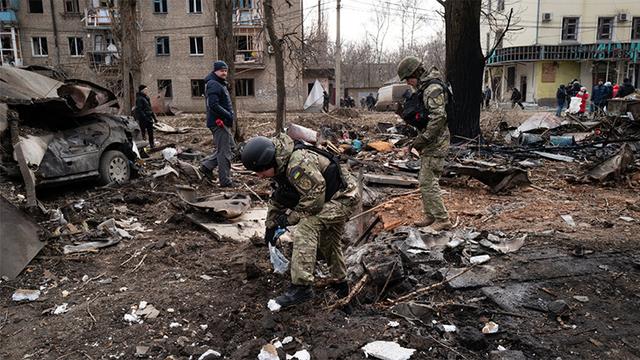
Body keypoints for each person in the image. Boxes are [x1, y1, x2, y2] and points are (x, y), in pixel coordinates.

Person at [241, 134, 360, 309]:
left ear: (269, 162)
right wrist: (271, 225)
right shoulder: (281, 163)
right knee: (329, 242)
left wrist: (289, 219)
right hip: (330, 196)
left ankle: (302, 287)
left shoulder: (297, 164)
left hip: (343, 198)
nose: (259, 176)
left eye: (260, 171)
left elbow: (314, 199)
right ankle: (341, 284)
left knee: (307, 226)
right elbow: (279, 197)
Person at [397, 56, 451, 231]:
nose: (408, 83)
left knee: (428, 181)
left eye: (408, 78)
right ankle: (431, 215)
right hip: (431, 141)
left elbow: (438, 118)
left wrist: (422, 140)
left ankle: (442, 219)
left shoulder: (433, 89)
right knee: (425, 179)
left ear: (416, 73)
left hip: (436, 142)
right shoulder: (425, 88)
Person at [200, 60, 235, 187]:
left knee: (230, 148)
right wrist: (228, 115)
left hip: (223, 122)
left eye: (225, 70)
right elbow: (213, 105)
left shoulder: (219, 83)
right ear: (215, 71)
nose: (224, 73)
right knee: (224, 152)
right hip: (219, 122)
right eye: (222, 70)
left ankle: (206, 166)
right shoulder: (213, 84)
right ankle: (225, 181)